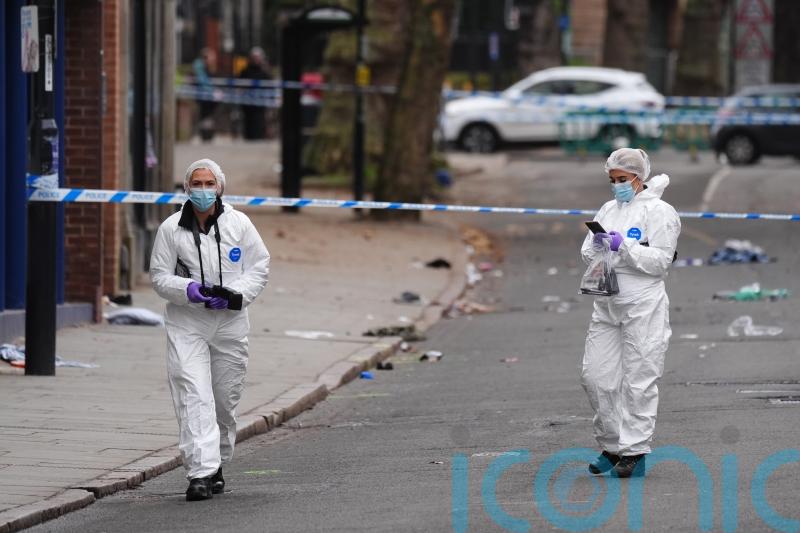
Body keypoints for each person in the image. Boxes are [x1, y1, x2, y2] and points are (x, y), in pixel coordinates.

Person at [150, 159, 270, 500]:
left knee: (223, 400)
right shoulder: (171, 229)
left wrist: (236, 297)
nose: (203, 190)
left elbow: (259, 267)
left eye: (209, 183)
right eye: (197, 184)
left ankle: (215, 460)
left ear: (220, 188)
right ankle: (199, 473)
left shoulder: (240, 225)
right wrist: (185, 289)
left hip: (230, 322)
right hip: (187, 321)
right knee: (193, 393)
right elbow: (159, 276)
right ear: (187, 188)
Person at [579, 148, 681, 478]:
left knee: (640, 377)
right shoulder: (609, 208)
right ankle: (612, 443)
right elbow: (586, 249)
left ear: (639, 178)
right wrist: (598, 244)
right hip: (607, 302)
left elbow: (661, 261)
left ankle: (635, 450)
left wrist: (624, 245)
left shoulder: (660, 212)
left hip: (643, 303)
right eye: (612, 180)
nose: (617, 186)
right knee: (595, 377)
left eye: (622, 179)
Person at [238, 46, 272, 140]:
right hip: (248, 104)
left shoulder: (264, 71)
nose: (256, 59)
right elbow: (239, 84)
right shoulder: (245, 71)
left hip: (260, 104)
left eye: (258, 57)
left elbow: (270, 85)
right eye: (254, 57)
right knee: (249, 124)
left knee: (259, 123)